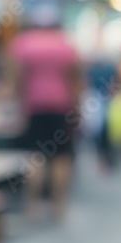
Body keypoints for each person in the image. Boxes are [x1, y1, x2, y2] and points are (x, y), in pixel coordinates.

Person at [8, 22, 81, 219]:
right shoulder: (65, 44)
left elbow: (18, 77)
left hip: (34, 106)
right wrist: (78, 107)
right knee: (61, 157)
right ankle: (59, 206)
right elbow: (74, 77)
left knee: (35, 156)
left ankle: (33, 207)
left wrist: (19, 105)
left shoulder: (23, 43)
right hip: (61, 106)